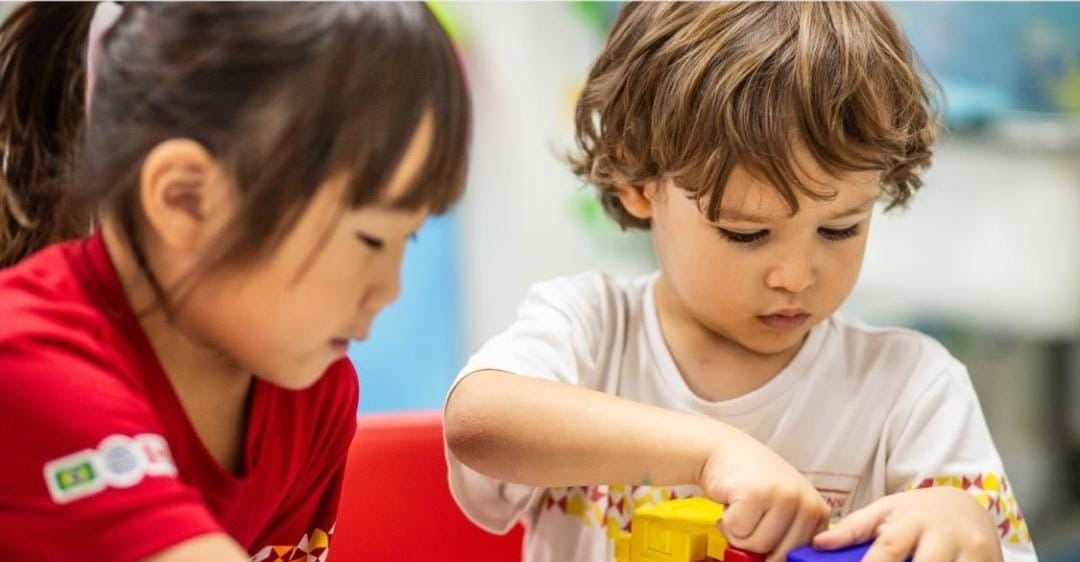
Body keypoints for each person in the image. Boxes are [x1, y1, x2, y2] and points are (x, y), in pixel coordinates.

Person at [443, 3, 1036, 562]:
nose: (795, 276)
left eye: (839, 229)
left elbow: (978, 537)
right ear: (640, 184)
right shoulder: (593, 328)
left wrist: (962, 523)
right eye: (747, 234)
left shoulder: (911, 391)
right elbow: (478, 420)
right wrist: (711, 452)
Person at [0, 2, 469, 560]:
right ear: (186, 199)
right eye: (369, 239)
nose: (389, 289)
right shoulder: (25, 359)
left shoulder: (313, 391)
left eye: (407, 239)